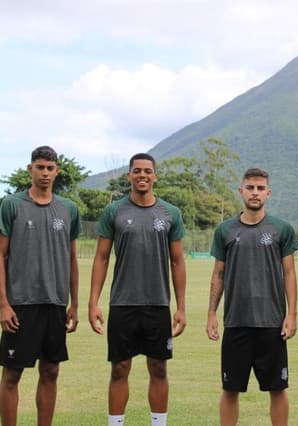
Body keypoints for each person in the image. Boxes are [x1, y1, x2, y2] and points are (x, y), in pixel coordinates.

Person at [88, 153, 187, 426]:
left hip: (157, 304)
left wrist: (181, 307)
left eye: (147, 171)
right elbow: (102, 258)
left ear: (155, 176)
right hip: (122, 303)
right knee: (120, 368)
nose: (142, 175)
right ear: (129, 175)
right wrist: (93, 302)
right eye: (137, 171)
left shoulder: (170, 213)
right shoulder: (114, 211)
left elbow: (177, 261)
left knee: (158, 367)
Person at [0, 145, 81, 426]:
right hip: (21, 304)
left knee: (51, 371)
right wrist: (4, 304)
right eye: (40, 167)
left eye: (50, 168)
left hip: (55, 303)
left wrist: (75, 304)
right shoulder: (13, 204)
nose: (45, 173)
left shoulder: (68, 208)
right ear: (30, 169)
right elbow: (0, 255)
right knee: (12, 373)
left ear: (57, 171)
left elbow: (72, 258)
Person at [206, 168, 298, 426]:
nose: (255, 193)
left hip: (272, 323)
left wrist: (291, 314)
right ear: (241, 191)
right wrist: (212, 313)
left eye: (260, 188)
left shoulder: (282, 229)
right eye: (250, 187)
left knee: (277, 388)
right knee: (230, 388)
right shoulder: (225, 230)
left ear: (268, 193)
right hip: (236, 322)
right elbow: (218, 274)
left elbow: (289, 273)